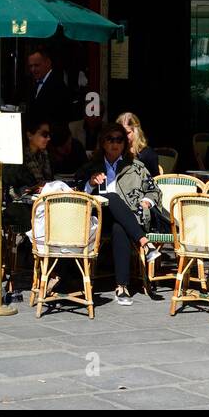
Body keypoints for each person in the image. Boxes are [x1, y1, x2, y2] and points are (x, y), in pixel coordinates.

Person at [76, 126, 162, 305]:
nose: (115, 143)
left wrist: (147, 201)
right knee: (112, 197)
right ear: (103, 142)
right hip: (97, 219)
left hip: (128, 218)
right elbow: (76, 190)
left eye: (119, 140)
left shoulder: (136, 167)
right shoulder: (91, 166)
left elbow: (154, 190)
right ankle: (145, 244)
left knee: (119, 227)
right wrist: (90, 184)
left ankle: (122, 287)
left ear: (125, 143)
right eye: (110, 139)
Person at [25, 47, 74, 126]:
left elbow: (59, 118)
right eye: (30, 66)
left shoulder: (57, 85)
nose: (33, 69)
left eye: (36, 65)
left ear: (48, 63)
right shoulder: (35, 83)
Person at [116, 112, 159, 177]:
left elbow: (156, 180)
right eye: (120, 133)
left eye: (127, 133)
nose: (123, 136)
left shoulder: (148, 154)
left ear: (136, 131)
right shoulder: (115, 152)